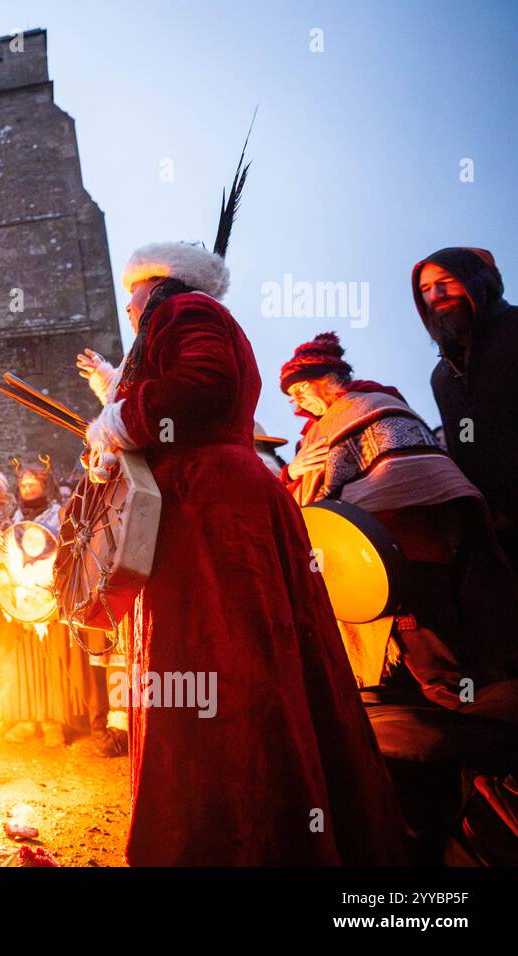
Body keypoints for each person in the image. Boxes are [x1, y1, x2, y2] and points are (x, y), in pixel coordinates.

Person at [78, 238, 406, 864]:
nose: (128, 307)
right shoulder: (177, 319)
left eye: (133, 292)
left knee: (225, 661)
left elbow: (203, 385)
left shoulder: (186, 311)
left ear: (161, 282)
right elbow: (177, 403)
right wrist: (114, 415)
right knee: (237, 663)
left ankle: (234, 834)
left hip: (212, 510)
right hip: (212, 500)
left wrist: (115, 422)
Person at [279, 332, 518, 859]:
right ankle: (431, 797)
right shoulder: (319, 431)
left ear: (325, 381)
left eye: (299, 389)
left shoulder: (371, 406)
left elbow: (413, 480)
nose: (295, 402)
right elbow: (313, 505)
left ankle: (488, 763)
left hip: (413, 559)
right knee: (397, 687)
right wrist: (299, 478)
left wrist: (354, 513)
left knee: (438, 672)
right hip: (368, 572)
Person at [412, 247, 518, 568]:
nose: (436, 294)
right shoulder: (443, 377)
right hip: (498, 535)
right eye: (426, 289)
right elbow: (465, 441)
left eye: (446, 281)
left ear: (477, 282)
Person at [0, 458, 84, 748]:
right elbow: (2, 557)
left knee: (49, 660)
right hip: (19, 600)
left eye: (33, 482)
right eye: (23, 483)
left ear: (45, 485)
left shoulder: (59, 515)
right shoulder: (12, 518)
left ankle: (52, 721)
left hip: (49, 599)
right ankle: (27, 718)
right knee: (23, 661)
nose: (27, 486)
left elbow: (71, 552)